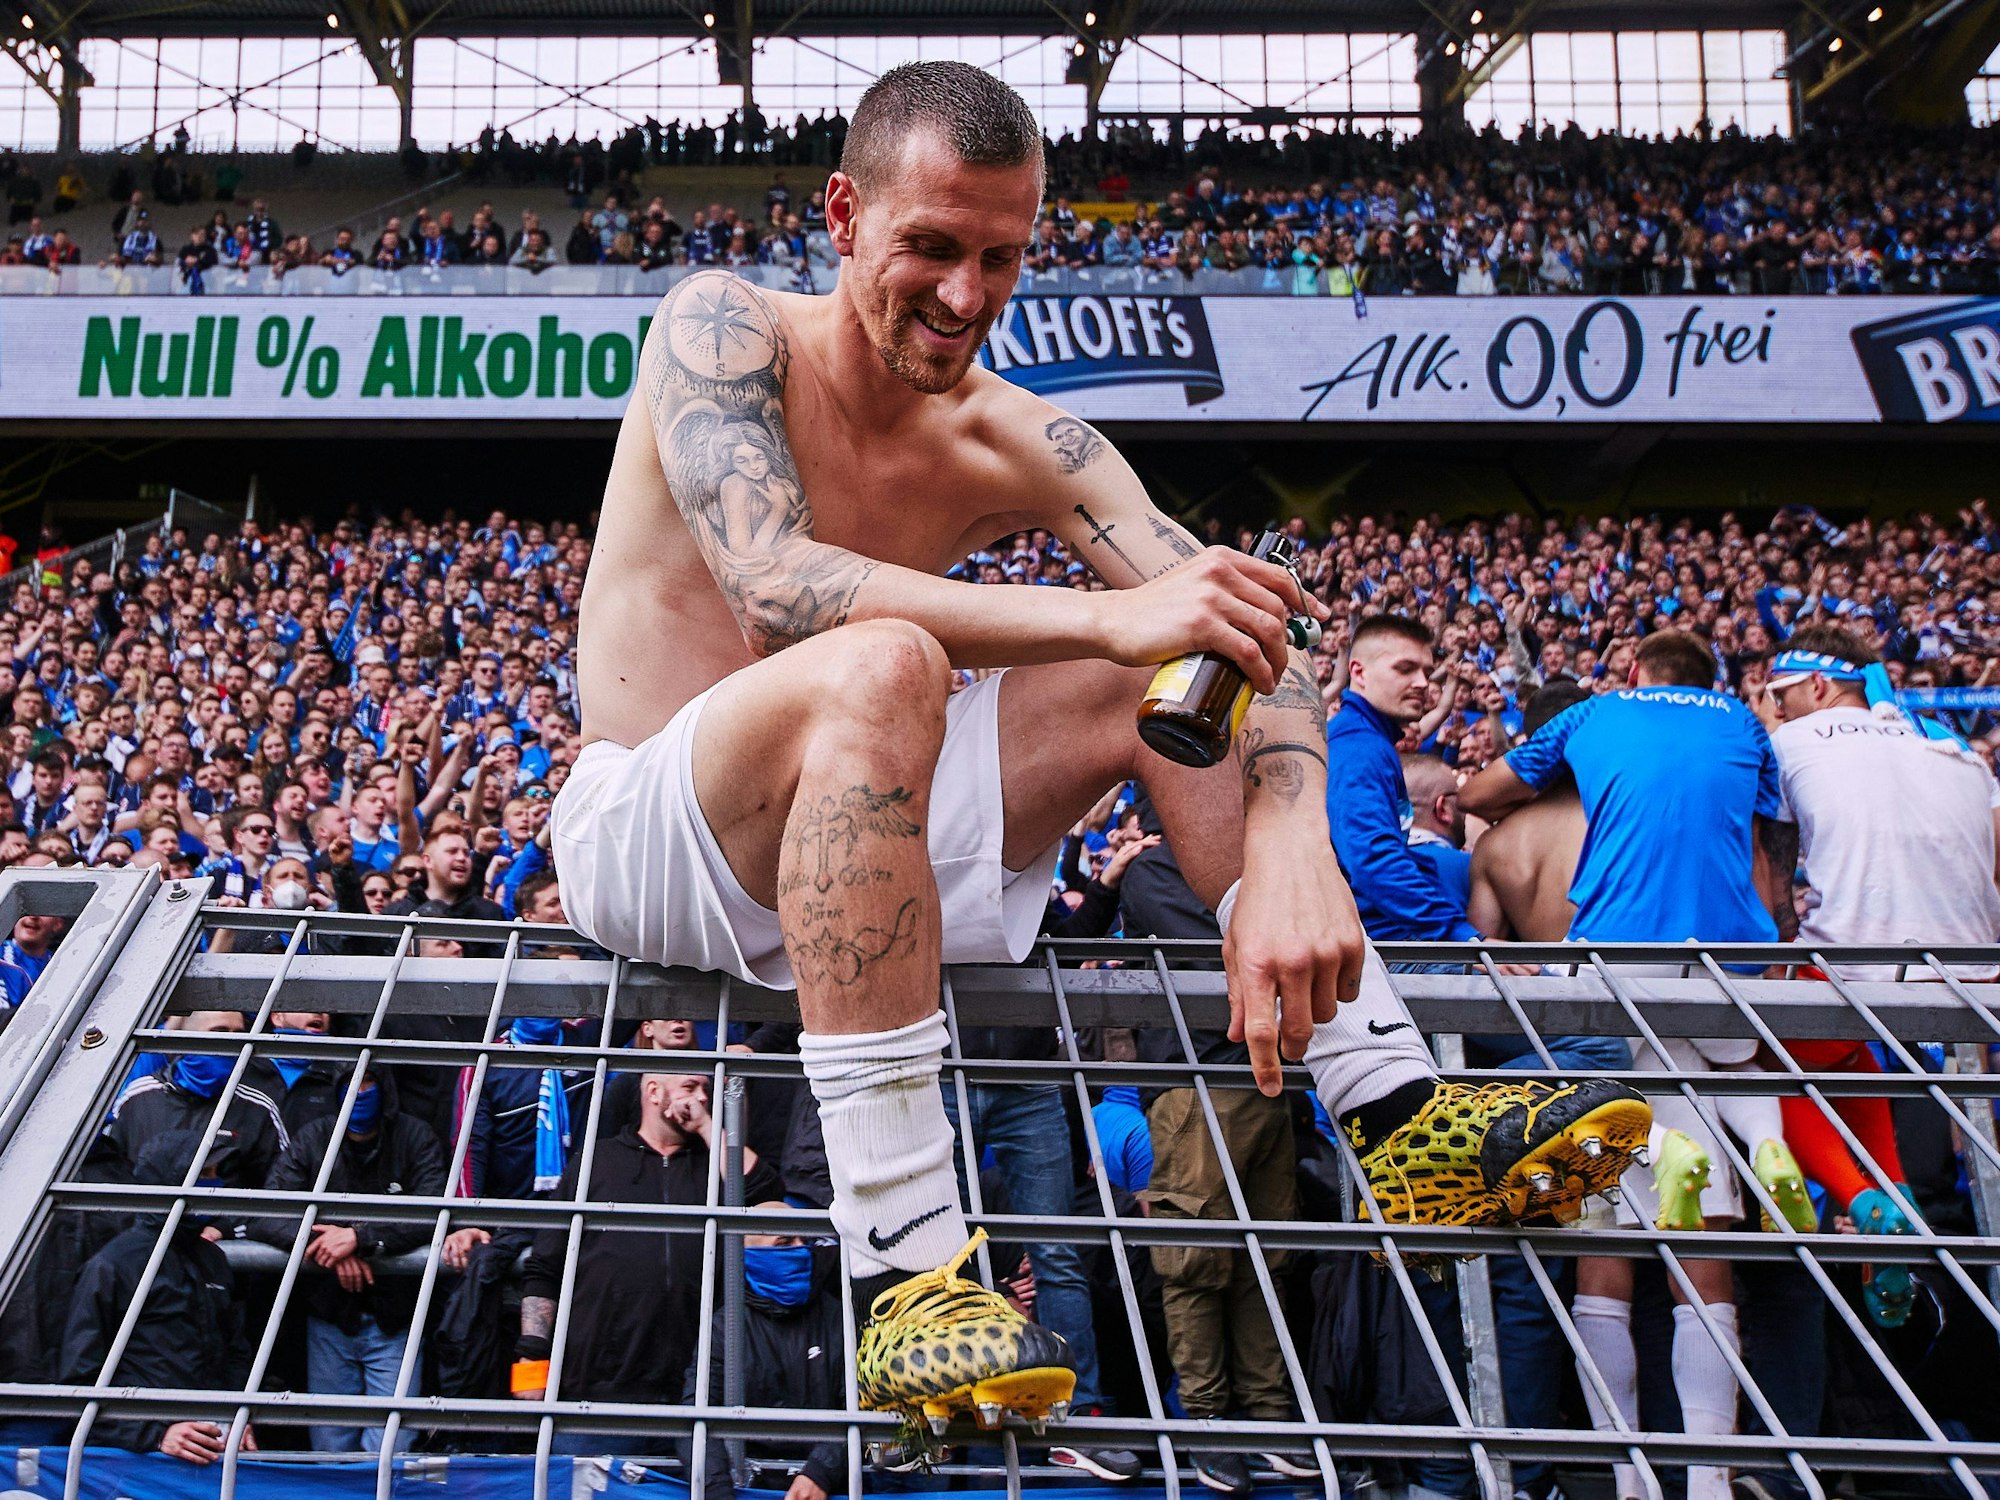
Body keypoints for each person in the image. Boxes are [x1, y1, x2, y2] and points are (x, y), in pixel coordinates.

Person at [552, 60, 1646, 1432]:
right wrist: (1109, 614)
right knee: (903, 659)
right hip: (661, 831)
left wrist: (1296, 843)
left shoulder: (1024, 435)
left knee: (1175, 659)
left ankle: (1392, 1102)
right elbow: (775, 580)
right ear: (842, 214)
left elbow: (1254, 638)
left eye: (1002, 257)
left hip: (870, 842)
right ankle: (910, 1272)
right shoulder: (720, 326)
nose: (966, 298)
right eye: (932, 248)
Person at [1461, 630, 1813, 1500]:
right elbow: (1774, 861)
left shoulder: (1585, 726)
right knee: (1706, 1243)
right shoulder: (1738, 721)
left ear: (1631, 677)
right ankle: (1706, 1481)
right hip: (1723, 967)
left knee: (1604, 1247)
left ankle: (1628, 1479)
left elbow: (1480, 802)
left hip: (1605, 985)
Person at [1763, 623, 2000, 1325]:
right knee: (1847, 1058)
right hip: (1975, 980)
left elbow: (1771, 886)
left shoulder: (1788, 746)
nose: (1771, 713)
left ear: (1816, 686)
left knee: (1749, 1058)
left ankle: (1862, 1195)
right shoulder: (1958, 750)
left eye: (1778, 698)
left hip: (1857, 969)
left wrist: (1778, 956)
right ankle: (1892, 1199)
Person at [514, 1071, 779, 1453]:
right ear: (653, 1092)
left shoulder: (713, 1163)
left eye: (706, 1090)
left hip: (696, 1390)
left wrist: (707, 1128)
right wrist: (531, 1367)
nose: (703, 1097)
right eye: (690, 1087)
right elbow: (544, 1267)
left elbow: (766, 1193)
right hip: (597, 1394)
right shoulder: (596, 1162)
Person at [248, 1068, 446, 1453]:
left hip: (396, 1319)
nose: (360, 1093)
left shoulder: (414, 1136)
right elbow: (264, 1214)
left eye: (369, 1084)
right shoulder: (314, 1137)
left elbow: (434, 1211)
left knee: (389, 1451)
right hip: (329, 1318)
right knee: (330, 1450)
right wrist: (327, 1248)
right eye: (352, 1084)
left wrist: (359, 1237)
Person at [58, 1131, 259, 1463]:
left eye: (215, 1174)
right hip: (138, 1462)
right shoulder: (113, 1265)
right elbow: (80, 1378)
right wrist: (154, 1434)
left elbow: (236, 1354)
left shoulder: (213, 1260)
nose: (216, 1184)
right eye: (204, 1175)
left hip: (212, 1450)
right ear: (173, 1179)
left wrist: (239, 1417)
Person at [677, 1203, 849, 1500]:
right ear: (751, 1256)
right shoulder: (725, 1327)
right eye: (784, 1243)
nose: (800, 1249)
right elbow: (696, 1416)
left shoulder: (839, 1318)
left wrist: (820, 1472)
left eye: (802, 1240)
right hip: (746, 1486)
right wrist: (717, 1490)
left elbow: (861, 1402)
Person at [1466, 680, 1590, 945]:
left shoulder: (1495, 842)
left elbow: (1484, 956)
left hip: (1539, 983)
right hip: (1629, 978)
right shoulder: (1623, 820)